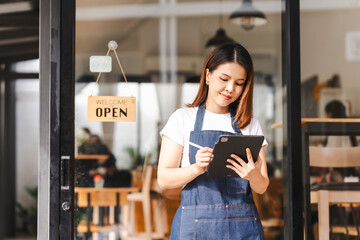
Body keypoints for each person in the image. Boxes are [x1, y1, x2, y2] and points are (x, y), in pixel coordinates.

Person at [157, 42, 269, 239]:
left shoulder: (250, 125)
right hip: (196, 228)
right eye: (224, 79)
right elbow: (164, 180)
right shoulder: (182, 119)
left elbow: (262, 186)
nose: (230, 88)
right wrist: (196, 168)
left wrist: (253, 176)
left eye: (239, 83)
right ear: (208, 76)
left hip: (242, 226)